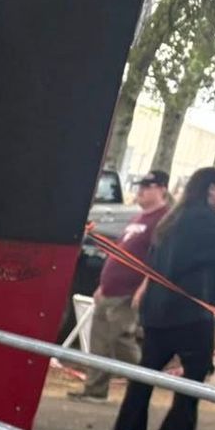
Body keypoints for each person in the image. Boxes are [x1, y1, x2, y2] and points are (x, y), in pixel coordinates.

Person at [111, 166, 215, 430]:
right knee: (195, 372)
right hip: (190, 309)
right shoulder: (206, 220)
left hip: (161, 307)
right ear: (210, 189)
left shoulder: (174, 218)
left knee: (147, 371)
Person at [72, 169, 171, 401]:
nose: (142, 191)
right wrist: (102, 285)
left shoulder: (163, 220)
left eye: (148, 187)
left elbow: (159, 259)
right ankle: (95, 390)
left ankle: (144, 380)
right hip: (110, 289)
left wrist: (144, 287)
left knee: (120, 339)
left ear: (162, 189)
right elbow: (120, 252)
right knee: (100, 343)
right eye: (141, 187)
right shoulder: (138, 217)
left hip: (128, 291)